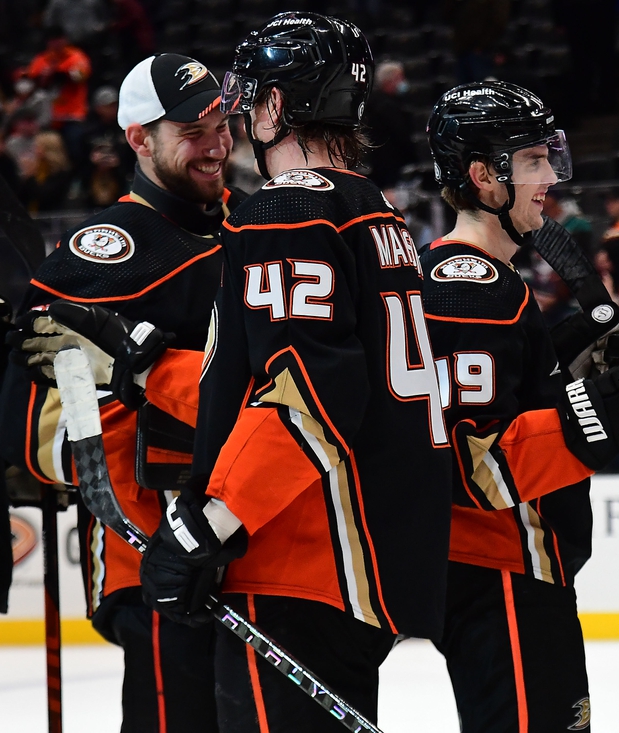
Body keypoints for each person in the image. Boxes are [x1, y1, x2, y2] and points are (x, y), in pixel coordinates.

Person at [136, 14, 453, 731]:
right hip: (363, 565)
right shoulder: (377, 212)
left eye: (252, 97)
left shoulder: (284, 209)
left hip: (296, 554)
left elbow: (308, 392)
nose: (244, 114)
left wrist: (208, 524)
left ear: (279, 105)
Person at [422, 79, 619, 733]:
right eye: (533, 162)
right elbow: (470, 465)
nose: (550, 177)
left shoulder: (476, 279)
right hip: (501, 570)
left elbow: (505, 404)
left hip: (506, 571)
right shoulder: (472, 288)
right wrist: (589, 417)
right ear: (483, 176)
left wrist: (568, 364)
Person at [1, 52, 239, 732]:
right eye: (193, 130)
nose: (217, 143)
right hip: (157, 565)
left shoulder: (252, 227)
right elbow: (36, 425)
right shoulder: (101, 252)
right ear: (139, 138)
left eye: (221, 122)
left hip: (255, 555)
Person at [25, 25, 92, 162]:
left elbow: (80, 76)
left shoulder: (76, 57)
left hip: (72, 115)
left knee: (75, 149)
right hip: (48, 117)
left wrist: (57, 73)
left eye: (59, 39)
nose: (56, 43)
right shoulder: (42, 59)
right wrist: (43, 78)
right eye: (52, 40)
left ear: (65, 39)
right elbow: (29, 82)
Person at [363, 60, 415, 190]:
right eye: (400, 77)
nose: (403, 81)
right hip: (391, 165)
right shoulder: (385, 106)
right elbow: (400, 135)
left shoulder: (375, 102)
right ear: (389, 81)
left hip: (382, 164)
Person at [17, 130, 72, 213]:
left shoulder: (61, 173)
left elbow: (43, 196)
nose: (34, 150)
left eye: (38, 147)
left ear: (48, 149)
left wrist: (30, 177)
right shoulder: (37, 168)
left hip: (52, 219)